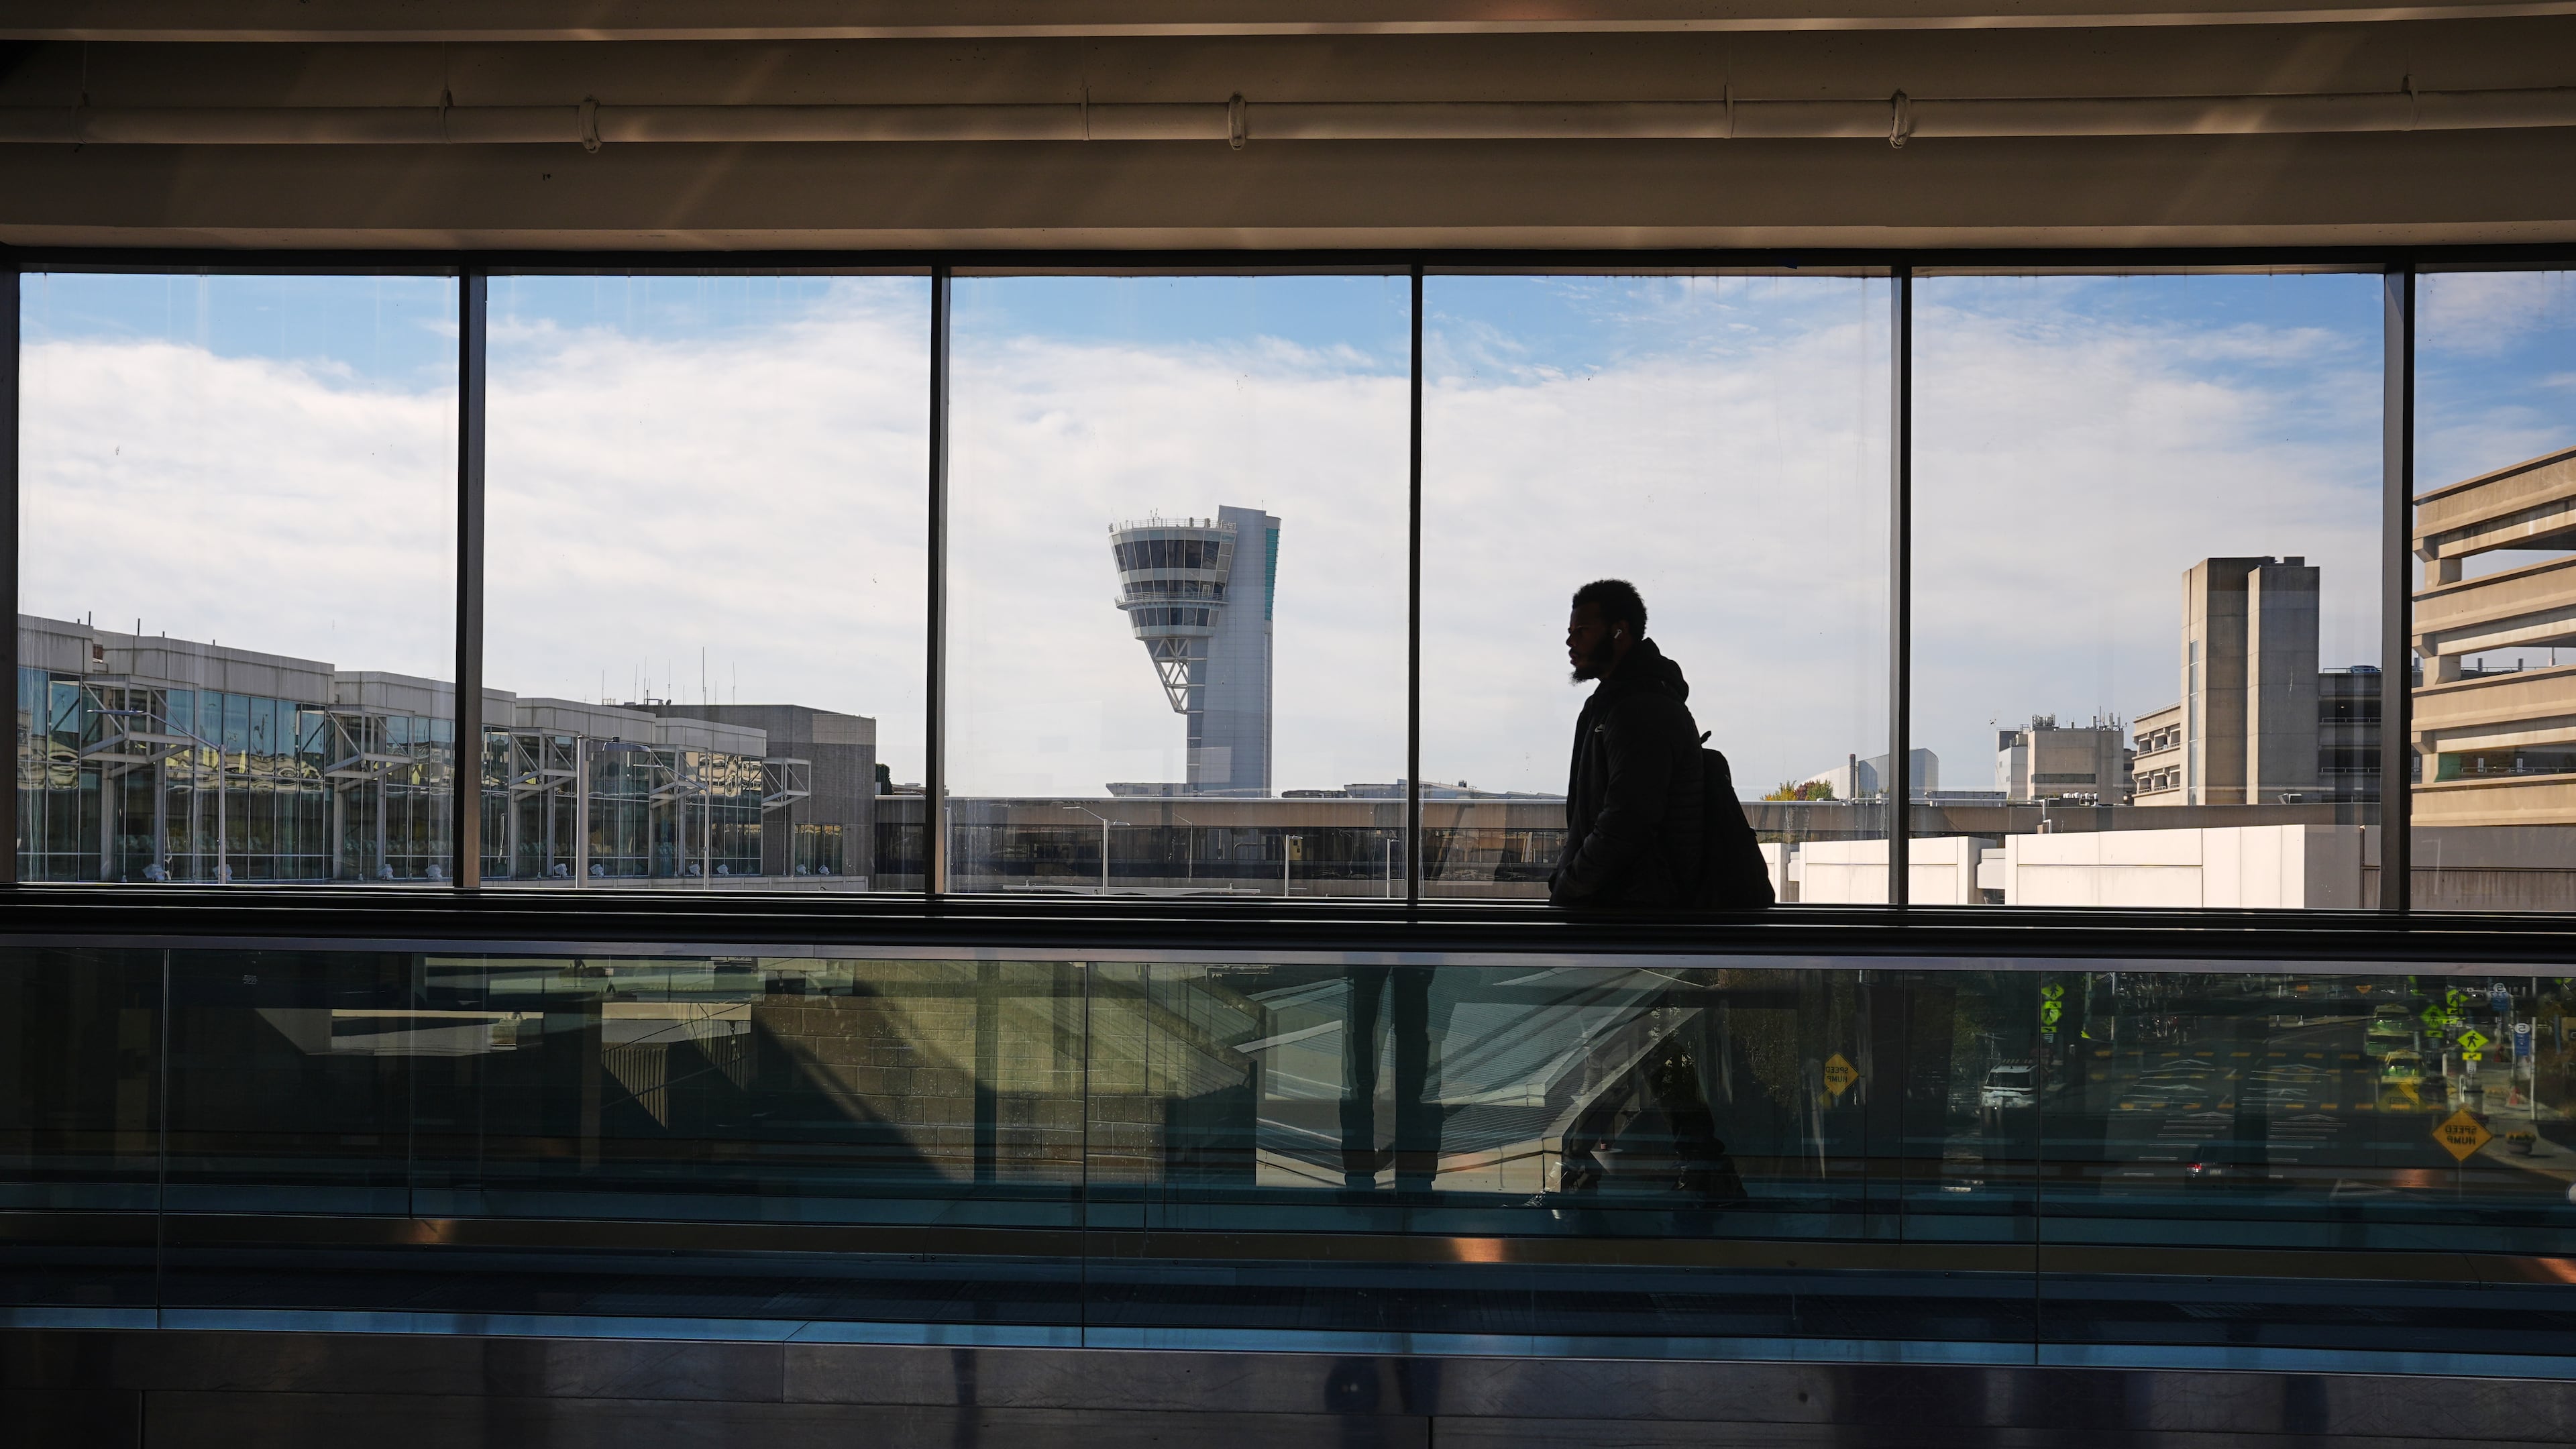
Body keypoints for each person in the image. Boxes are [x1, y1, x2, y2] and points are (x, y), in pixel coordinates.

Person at [1550, 579, 1707, 909]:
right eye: (1570, 630)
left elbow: (1627, 822)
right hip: (1628, 911)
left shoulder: (1640, 709)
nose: (1570, 641)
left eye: (1583, 630)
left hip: (1631, 917)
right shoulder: (1620, 703)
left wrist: (1569, 885)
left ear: (1619, 631)